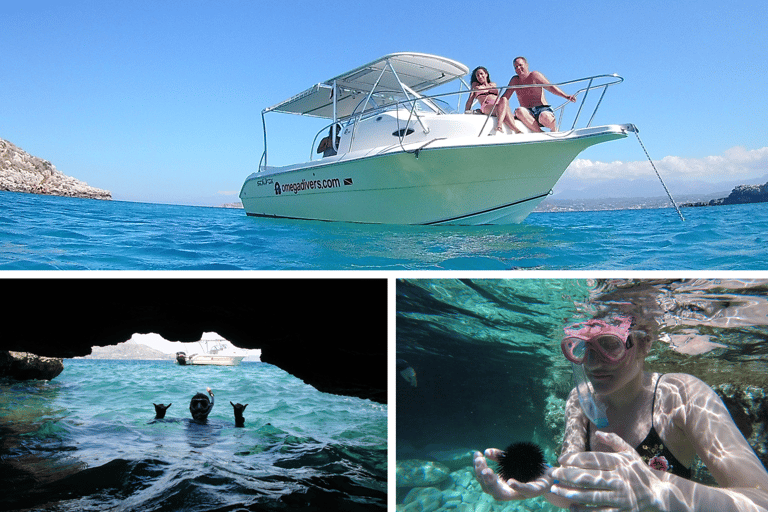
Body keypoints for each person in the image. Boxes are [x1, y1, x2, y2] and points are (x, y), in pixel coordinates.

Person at [473, 315, 768, 511]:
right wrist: (542, 482)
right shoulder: (579, 400)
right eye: (582, 347)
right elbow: (576, 492)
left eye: (609, 344)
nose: (593, 362)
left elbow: (761, 501)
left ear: (643, 344)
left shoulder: (682, 395)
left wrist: (661, 490)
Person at [501, 56, 576, 133]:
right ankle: (540, 133)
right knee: (519, 110)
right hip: (527, 113)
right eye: (516, 67)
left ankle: (554, 131)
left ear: (526, 65)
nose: (518, 68)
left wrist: (566, 96)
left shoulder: (534, 75)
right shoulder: (515, 81)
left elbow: (550, 87)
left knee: (545, 116)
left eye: (520, 65)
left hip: (542, 110)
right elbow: (505, 97)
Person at [464, 66, 519, 134]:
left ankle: (509, 128)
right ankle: (508, 128)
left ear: (486, 74)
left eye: (481, 74)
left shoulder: (493, 84)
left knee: (504, 100)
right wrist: (466, 112)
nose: (480, 76)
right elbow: (470, 100)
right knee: (503, 110)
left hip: (497, 104)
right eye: (477, 75)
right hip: (487, 106)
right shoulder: (476, 87)